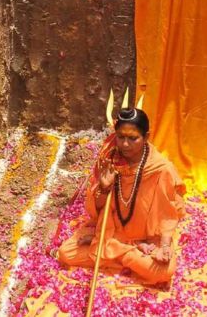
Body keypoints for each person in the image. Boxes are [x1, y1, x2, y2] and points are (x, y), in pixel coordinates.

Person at [57, 107, 185, 285]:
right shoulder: (109, 161)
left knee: (164, 272)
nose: (125, 144)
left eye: (133, 138)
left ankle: (116, 252)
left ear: (146, 137)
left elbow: (169, 213)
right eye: (120, 137)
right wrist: (104, 187)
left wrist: (163, 246)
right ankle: (125, 251)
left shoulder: (161, 169)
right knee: (66, 253)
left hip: (147, 238)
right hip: (112, 233)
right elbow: (97, 211)